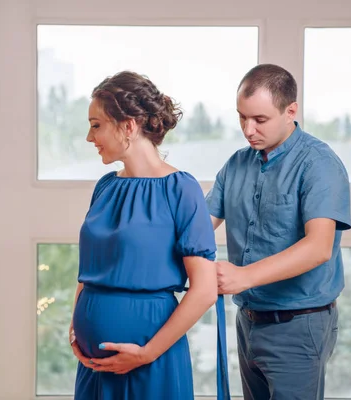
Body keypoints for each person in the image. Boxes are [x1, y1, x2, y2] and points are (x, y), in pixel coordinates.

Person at [68, 71, 230, 400]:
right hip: (93, 364)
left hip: (149, 358)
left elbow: (204, 290)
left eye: (96, 124)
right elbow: (88, 273)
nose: (89, 136)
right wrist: (76, 328)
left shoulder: (181, 189)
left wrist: (147, 353)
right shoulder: (105, 187)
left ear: (128, 126)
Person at [205, 63, 351, 400]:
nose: (247, 129)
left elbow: (318, 248)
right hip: (248, 322)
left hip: (299, 325)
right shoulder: (236, 165)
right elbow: (198, 226)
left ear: (291, 111)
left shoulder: (319, 164)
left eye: (259, 119)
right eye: (242, 117)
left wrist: (244, 277)